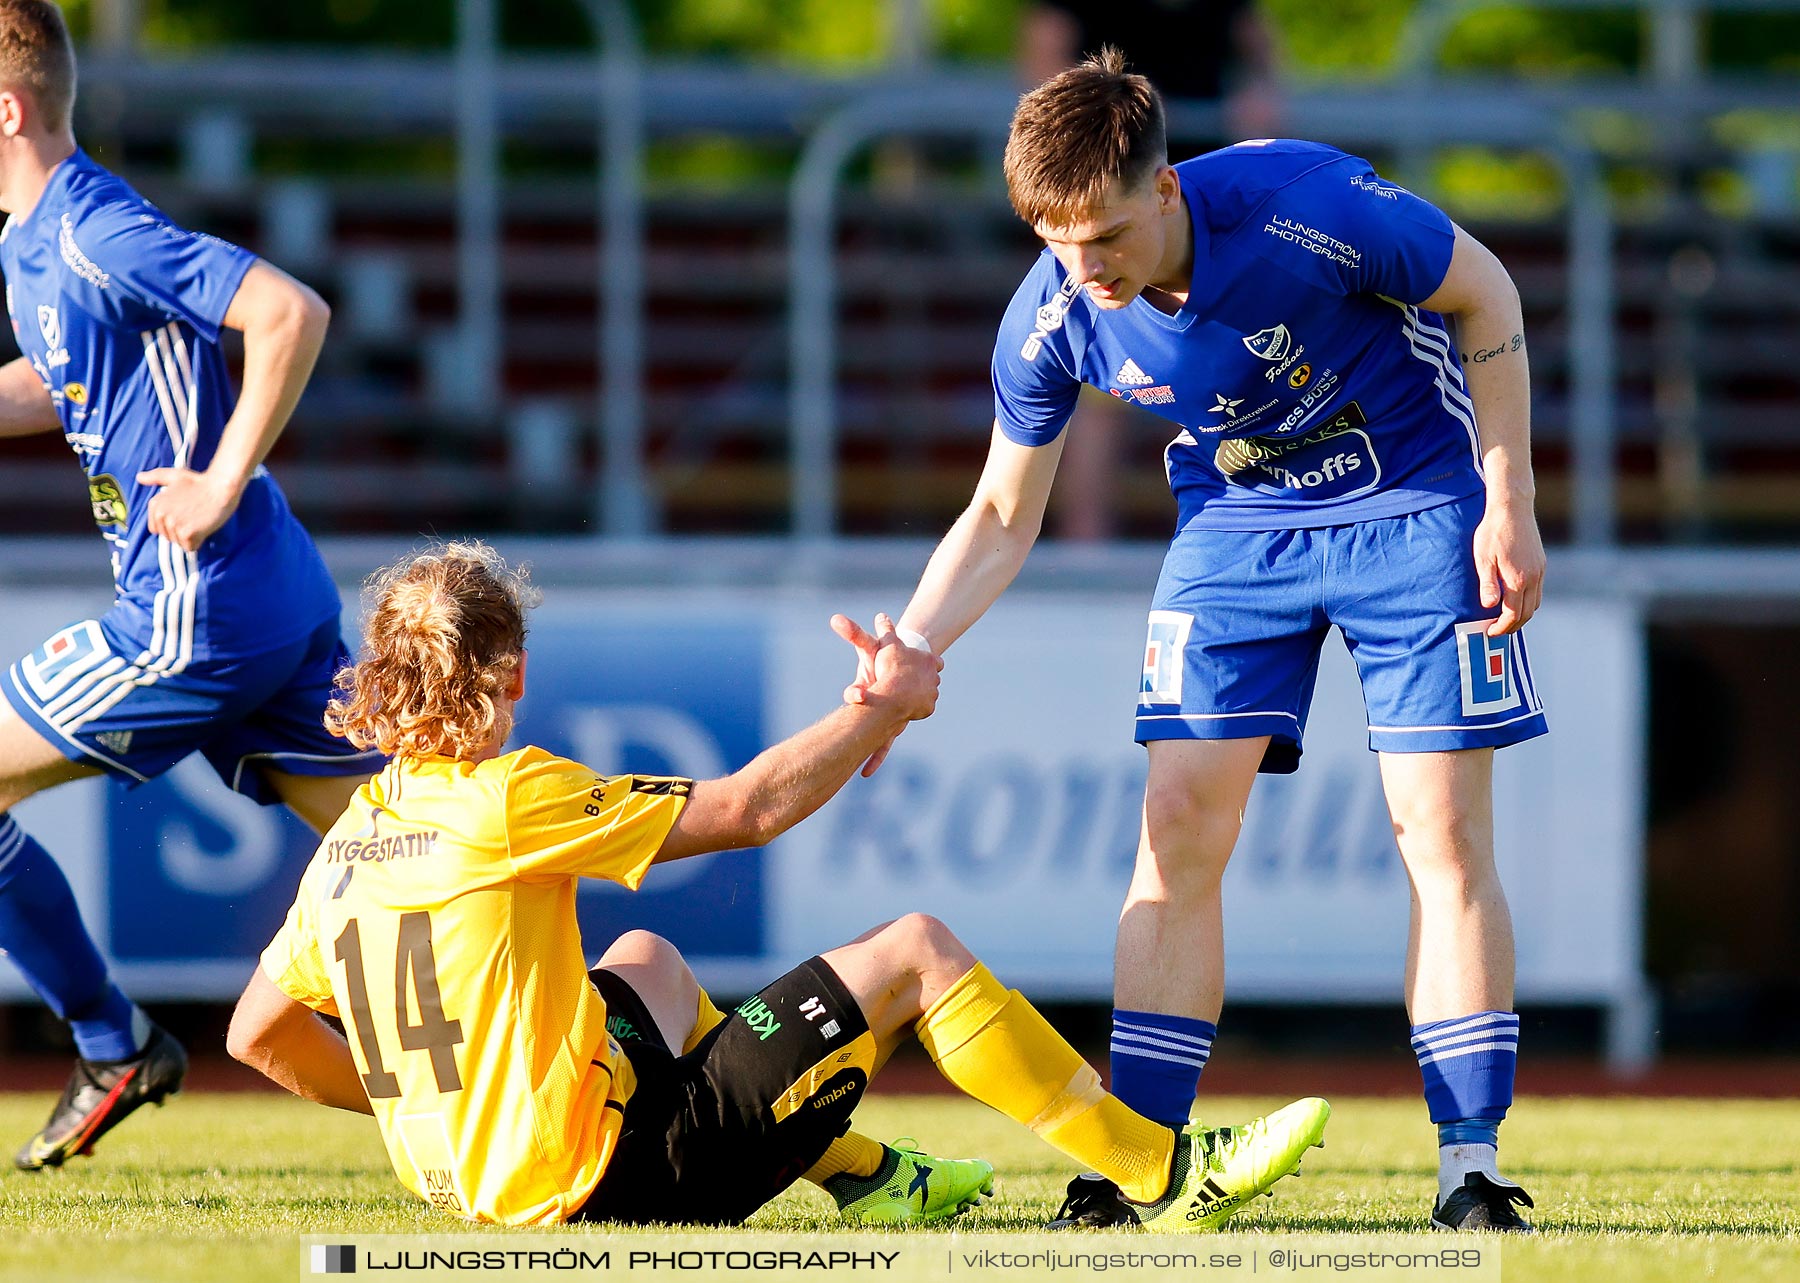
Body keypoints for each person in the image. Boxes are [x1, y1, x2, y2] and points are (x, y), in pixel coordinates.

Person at [847, 51, 1545, 1232]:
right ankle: (1135, 1158)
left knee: (1437, 828)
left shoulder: (1305, 205)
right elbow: (1004, 513)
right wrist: (912, 645)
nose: (1086, 267)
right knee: (1172, 829)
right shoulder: (1057, 307)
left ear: (1165, 189)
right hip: (1236, 527)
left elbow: (1489, 293)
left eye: (1106, 234)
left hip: (1414, 503)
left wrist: (1509, 496)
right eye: (1056, 240)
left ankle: (1468, 1167)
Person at [227, 542, 1329, 1228]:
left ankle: (862, 1173)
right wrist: (880, 707)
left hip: (477, 1187)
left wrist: (424, 1103)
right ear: (512, 674)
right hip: (612, 1184)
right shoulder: (508, 792)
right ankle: (1164, 1172)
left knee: (642, 959)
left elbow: (259, 1032)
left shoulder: (355, 835)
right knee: (917, 950)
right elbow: (748, 809)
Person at [0, 0, 385, 1169]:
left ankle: (113, 1039)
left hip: (195, 603)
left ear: (6, 109)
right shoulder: (31, 246)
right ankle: (587, 1040)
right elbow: (65, 378)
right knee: (411, 836)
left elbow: (286, 310)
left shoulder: (90, 222)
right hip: (263, 590)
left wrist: (221, 478)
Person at [1020, 0, 1282, 541]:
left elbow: (1260, 48)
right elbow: (1042, 62)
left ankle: (1240, 534)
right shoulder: (1081, 259)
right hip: (1108, 210)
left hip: (1207, 217)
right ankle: (1087, 546)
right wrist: (1088, 162)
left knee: (1242, 374)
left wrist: (1261, 93)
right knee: (1101, 386)